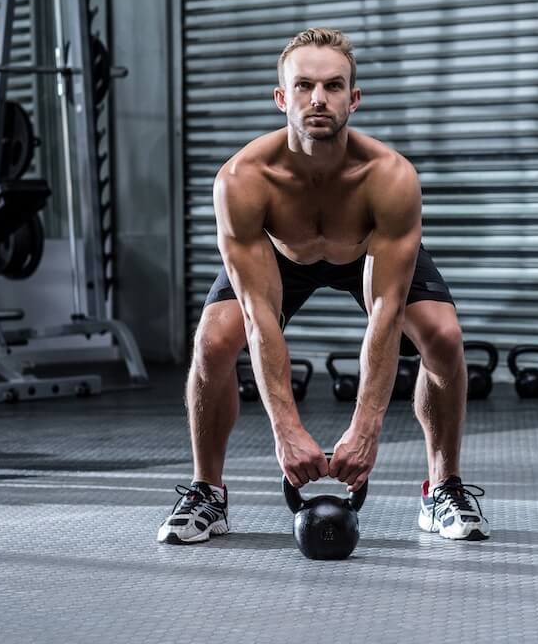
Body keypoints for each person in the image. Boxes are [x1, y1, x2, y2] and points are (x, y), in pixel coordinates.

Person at [158, 27, 489, 544]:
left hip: (366, 251)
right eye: (304, 86)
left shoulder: (389, 177)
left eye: (334, 86)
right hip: (278, 253)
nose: (318, 99)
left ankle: (442, 487)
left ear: (353, 99)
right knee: (212, 341)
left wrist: (366, 427)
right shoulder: (243, 180)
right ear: (280, 97)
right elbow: (258, 314)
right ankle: (208, 491)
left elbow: (387, 307)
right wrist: (286, 431)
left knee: (443, 337)